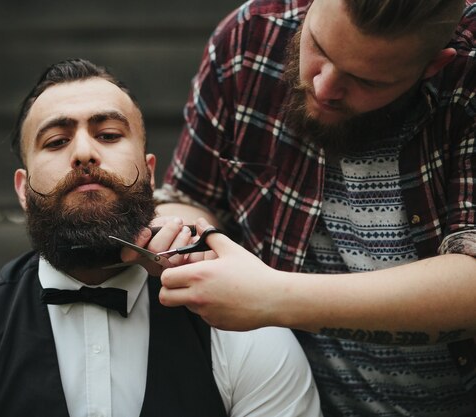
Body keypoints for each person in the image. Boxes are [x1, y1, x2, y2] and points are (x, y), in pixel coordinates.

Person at [0, 59, 321, 417]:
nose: (85, 152)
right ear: (22, 189)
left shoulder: (240, 334)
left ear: (151, 174)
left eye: (108, 135)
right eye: (55, 141)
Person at [150, 0, 476, 416]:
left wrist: (271, 296)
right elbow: (191, 197)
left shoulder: (469, 71)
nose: (323, 88)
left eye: (366, 81)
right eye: (319, 47)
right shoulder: (248, 40)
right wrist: (176, 235)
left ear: (434, 65)